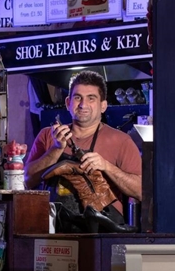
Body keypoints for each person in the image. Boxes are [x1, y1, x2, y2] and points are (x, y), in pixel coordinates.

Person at [25, 70, 142, 221]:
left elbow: (140, 191)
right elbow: (27, 181)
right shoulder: (48, 135)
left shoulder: (121, 141)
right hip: (54, 230)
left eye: (91, 98)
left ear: (103, 106)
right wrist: (56, 149)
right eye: (78, 97)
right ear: (68, 103)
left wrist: (107, 166)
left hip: (102, 232)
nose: (83, 104)